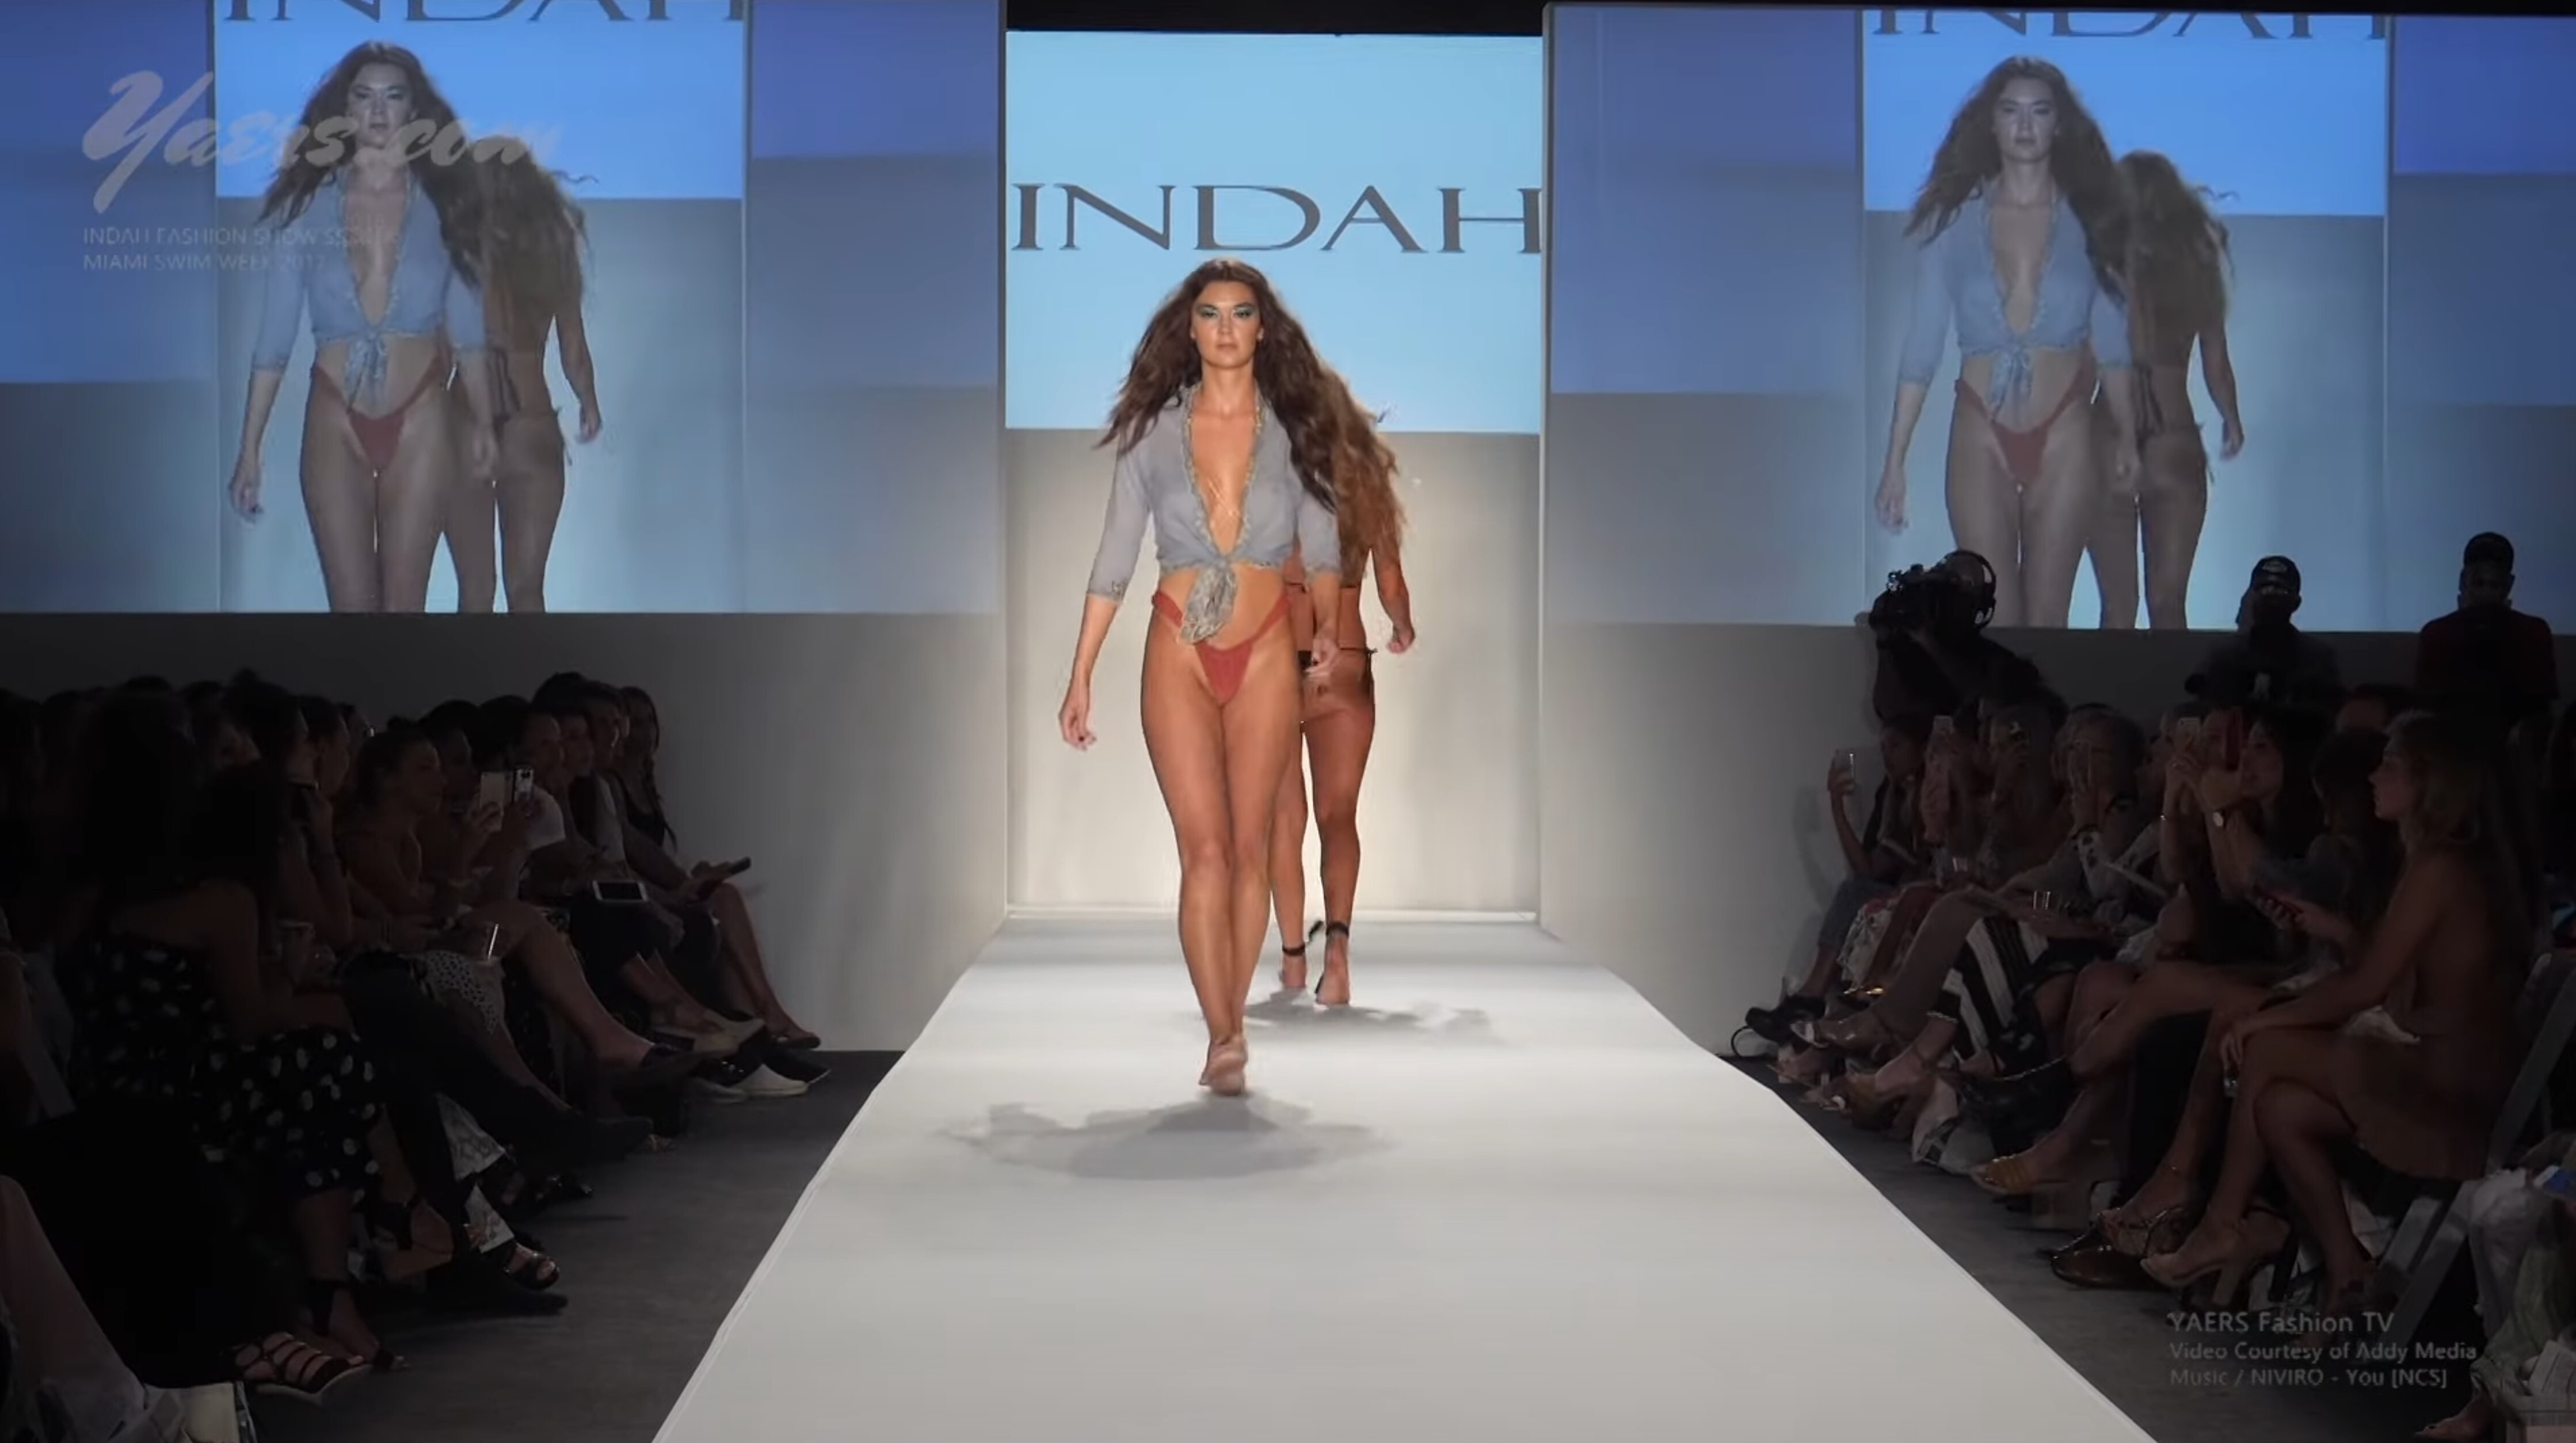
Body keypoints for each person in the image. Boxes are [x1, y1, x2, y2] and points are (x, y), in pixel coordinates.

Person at [1058, 260, 1347, 1096]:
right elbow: (1115, 556)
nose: (1225, 328)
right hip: (1178, 644)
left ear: (1263, 327)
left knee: (1250, 847)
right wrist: (1080, 673)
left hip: (1265, 644)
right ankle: (1224, 1030)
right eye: (1211, 314)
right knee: (1205, 852)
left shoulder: (1296, 430)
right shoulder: (1153, 433)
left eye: (1241, 313)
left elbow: (1323, 547)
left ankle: (1233, 1027)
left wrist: (1329, 624)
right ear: (1189, 328)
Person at [227, 43, 496, 612]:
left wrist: (484, 424)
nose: (378, 110)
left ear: (413, 110)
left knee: (404, 608)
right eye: (364, 96)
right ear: (344, 109)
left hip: (422, 413)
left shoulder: (447, 207)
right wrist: (250, 449)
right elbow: (274, 341)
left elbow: (469, 331)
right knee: (350, 611)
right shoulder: (306, 209)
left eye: (393, 96)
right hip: (335, 414)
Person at [1876, 56, 2137, 629]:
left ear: (2058, 125)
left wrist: (2126, 435)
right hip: (1980, 428)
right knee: (1992, 621)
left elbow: (2113, 340)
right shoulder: (1952, 224)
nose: (2024, 125)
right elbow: (1922, 347)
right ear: (1991, 123)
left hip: (2066, 427)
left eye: (2039, 112)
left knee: (2048, 622)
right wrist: (1895, 460)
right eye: (2011, 111)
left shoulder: (2091, 222)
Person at [1267, 417, 1412, 1006]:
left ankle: (1293, 962)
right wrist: (1403, 627)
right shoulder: (1368, 496)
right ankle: (1338, 956)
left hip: (1276, 667)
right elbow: (1392, 585)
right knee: (1339, 814)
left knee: (1284, 816)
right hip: (1346, 663)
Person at [444, 139, 602, 613]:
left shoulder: (460, 250)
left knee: (475, 592)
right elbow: (573, 350)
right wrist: (589, 403)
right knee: (528, 590)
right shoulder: (552, 251)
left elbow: (438, 349)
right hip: (532, 423)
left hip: (466, 422)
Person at [2088, 150, 2243, 631]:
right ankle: (2174, 686)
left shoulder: (2102, 267)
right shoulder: (2196, 268)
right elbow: (2216, 363)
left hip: (2109, 434)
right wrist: (2232, 420)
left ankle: (2105, 687)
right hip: (2174, 436)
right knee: (2169, 604)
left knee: (2117, 609)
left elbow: (2078, 361)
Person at [1868, 550, 2048, 729]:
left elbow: (1982, 704)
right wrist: (1885, 641)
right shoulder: (1908, 650)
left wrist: (1929, 644)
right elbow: (1889, 713)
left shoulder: (1997, 662)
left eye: (1961, 595)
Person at [2415, 532, 2558, 737]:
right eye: (2479, 583)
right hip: (2453, 744)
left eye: (2494, 585)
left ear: (2509, 585)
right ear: (2463, 581)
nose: (2486, 594)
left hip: (2505, 743)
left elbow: (2541, 709)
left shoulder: (2533, 631)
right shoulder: (2438, 633)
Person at [2188, 556, 2342, 718]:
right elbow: (2201, 704)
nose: (2271, 599)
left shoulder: (2317, 657)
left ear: (2296, 603)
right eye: (2264, 590)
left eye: (2280, 592)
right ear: (2252, 598)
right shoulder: (2224, 653)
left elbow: (2330, 712)